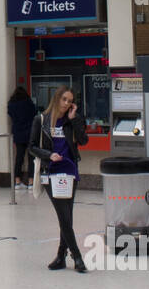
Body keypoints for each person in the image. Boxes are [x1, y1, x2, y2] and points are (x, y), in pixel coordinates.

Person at [29, 88, 88, 273]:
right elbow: (31, 147)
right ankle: (77, 257)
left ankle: (61, 256)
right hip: (50, 172)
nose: (66, 103)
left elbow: (84, 140)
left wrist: (74, 119)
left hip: (70, 171)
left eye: (70, 101)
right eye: (64, 99)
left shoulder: (71, 120)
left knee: (67, 216)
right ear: (56, 99)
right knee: (63, 215)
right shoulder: (41, 120)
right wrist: (49, 154)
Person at [7, 86, 37, 190]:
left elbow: (10, 115)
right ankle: (31, 182)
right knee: (31, 158)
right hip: (29, 133)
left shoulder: (11, 105)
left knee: (19, 158)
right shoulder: (29, 103)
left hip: (18, 133)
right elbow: (34, 114)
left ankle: (17, 181)